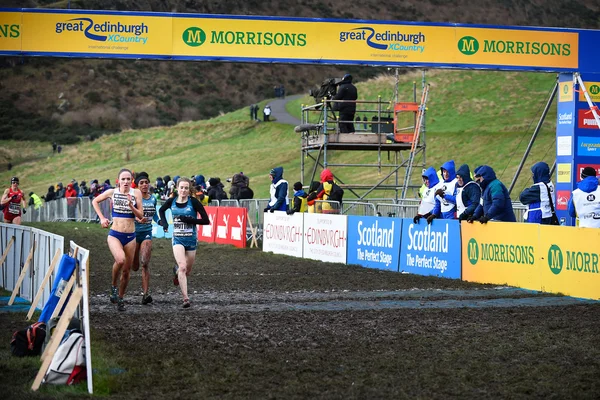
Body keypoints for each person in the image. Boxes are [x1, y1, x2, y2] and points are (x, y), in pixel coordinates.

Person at [92, 168, 144, 311]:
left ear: (132, 181)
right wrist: (102, 218)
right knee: (120, 260)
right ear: (118, 181)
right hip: (115, 234)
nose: (126, 181)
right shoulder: (112, 193)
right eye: (123, 179)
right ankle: (114, 286)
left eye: (128, 179)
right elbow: (95, 201)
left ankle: (121, 297)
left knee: (127, 271)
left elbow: (140, 215)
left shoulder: (136, 193)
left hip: (131, 237)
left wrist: (131, 206)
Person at [158, 177, 210, 308]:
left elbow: (206, 220)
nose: (183, 190)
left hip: (191, 240)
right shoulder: (172, 201)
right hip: (177, 239)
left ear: (189, 189)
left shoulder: (193, 202)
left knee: (187, 271)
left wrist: (190, 220)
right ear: (177, 188)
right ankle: (186, 298)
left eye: (186, 188)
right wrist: (164, 223)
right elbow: (161, 210)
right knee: (183, 266)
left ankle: (176, 272)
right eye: (181, 187)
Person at [132, 172, 159, 305]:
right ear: (137, 185)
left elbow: (154, 215)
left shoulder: (153, 198)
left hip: (147, 232)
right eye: (141, 183)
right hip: (134, 233)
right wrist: (136, 217)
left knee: (145, 263)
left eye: (146, 182)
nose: (144, 185)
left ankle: (145, 294)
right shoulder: (134, 198)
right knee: (135, 266)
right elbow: (129, 214)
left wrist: (161, 222)